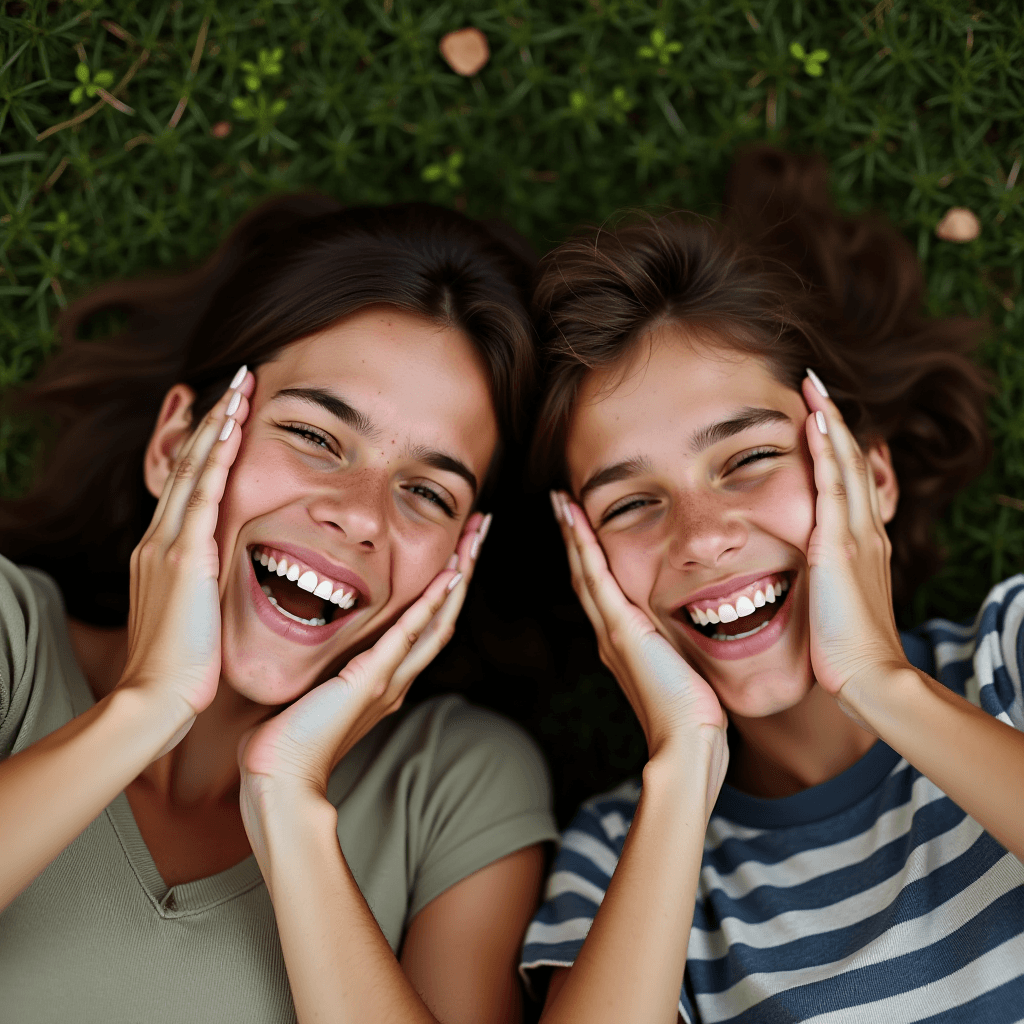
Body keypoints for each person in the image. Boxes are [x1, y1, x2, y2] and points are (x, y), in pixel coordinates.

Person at [0, 196, 558, 1024]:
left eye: (427, 492)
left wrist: (291, 797)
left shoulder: (452, 787)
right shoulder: (12, 639)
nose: (363, 515)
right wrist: (144, 709)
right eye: (316, 437)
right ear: (175, 446)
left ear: (459, 560)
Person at [519, 146, 1024, 1023]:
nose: (704, 537)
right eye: (632, 504)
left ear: (871, 478)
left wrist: (880, 686)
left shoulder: (1010, 652)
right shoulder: (620, 859)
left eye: (748, 459)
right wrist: (684, 764)